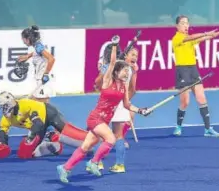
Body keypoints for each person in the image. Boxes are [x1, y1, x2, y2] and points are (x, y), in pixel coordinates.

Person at [56, 35, 150, 183]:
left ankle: (65, 168)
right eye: (124, 71)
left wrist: (140, 111)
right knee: (111, 138)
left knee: (86, 146)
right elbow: (112, 62)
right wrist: (114, 45)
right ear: (116, 72)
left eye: (127, 71)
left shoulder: (123, 87)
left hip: (104, 120)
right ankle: (94, 162)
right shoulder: (107, 81)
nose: (127, 73)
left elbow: (127, 105)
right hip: (96, 118)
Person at [171, 15, 219, 137]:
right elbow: (193, 37)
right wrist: (205, 33)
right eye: (183, 23)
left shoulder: (191, 39)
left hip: (193, 70)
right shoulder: (176, 38)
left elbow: (206, 37)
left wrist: (218, 33)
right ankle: (178, 126)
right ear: (177, 26)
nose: (186, 25)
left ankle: (208, 129)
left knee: (201, 98)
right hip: (182, 71)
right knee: (185, 102)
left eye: (187, 23)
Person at [0, 92, 92, 160]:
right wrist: (1, 144)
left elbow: (38, 123)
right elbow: (3, 131)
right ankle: (55, 146)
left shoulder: (26, 104)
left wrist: (30, 138)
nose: (3, 110)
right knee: (25, 155)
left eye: (4, 107)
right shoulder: (5, 119)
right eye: (1, 108)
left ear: (10, 104)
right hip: (38, 126)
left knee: (67, 131)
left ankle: (92, 140)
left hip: (49, 114)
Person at [94, 46, 139, 173]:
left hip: (108, 104)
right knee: (119, 136)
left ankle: (98, 162)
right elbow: (133, 89)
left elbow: (97, 82)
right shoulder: (128, 70)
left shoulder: (110, 67)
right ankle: (119, 165)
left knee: (100, 134)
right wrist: (126, 101)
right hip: (121, 104)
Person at [17, 25, 56, 103]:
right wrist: (28, 56)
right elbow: (37, 53)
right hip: (41, 80)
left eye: (23, 39)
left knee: (36, 104)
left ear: (28, 39)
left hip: (44, 80)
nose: (23, 41)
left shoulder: (39, 47)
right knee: (37, 104)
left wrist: (45, 74)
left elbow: (51, 59)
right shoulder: (37, 46)